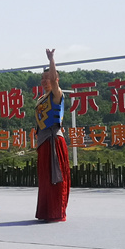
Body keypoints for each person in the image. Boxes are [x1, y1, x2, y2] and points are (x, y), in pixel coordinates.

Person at [35, 49, 71, 222]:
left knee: (55, 177)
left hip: (53, 140)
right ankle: (46, 211)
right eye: (42, 78)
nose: (45, 80)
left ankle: (56, 212)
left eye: (48, 77)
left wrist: (51, 59)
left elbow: (54, 81)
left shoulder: (57, 94)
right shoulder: (41, 98)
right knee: (45, 178)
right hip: (43, 141)